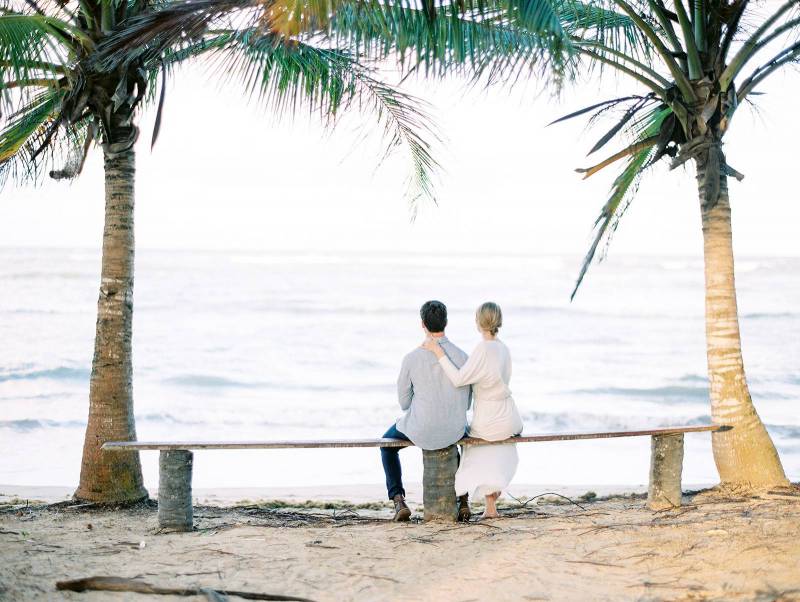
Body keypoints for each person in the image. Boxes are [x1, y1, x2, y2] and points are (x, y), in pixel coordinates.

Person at [422, 301, 523, 519]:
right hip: (510, 416)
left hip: (489, 417)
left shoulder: (483, 348)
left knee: (473, 448)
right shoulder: (503, 348)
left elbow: (459, 379)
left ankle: (472, 501)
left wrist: (438, 351)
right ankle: (490, 506)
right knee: (497, 448)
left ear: (478, 322)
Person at [382, 300, 472, 522]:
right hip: (454, 429)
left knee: (386, 445)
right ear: (446, 323)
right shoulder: (463, 357)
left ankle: (398, 500)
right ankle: (463, 500)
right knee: (462, 446)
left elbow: (404, 403)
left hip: (422, 429)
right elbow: (467, 403)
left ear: (422, 324)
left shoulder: (411, 359)